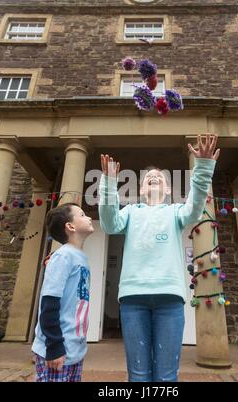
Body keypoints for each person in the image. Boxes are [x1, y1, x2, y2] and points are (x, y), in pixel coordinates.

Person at [98, 134, 220, 382]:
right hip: (133, 299)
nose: (154, 178)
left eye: (160, 178)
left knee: (166, 376)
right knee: (138, 374)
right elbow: (109, 224)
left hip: (170, 298)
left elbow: (196, 207)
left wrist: (203, 167)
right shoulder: (131, 211)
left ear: (167, 189)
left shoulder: (176, 211)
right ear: (141, 189)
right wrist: (109, 184)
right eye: (148, 178)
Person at [32, 202, 94, 382]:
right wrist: (54, 346)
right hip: (57, 349)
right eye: (82, 214)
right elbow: (49, 304)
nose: (89, 217)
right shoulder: (63, 256)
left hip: (74, 350)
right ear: (70, 226)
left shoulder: (80, 257)